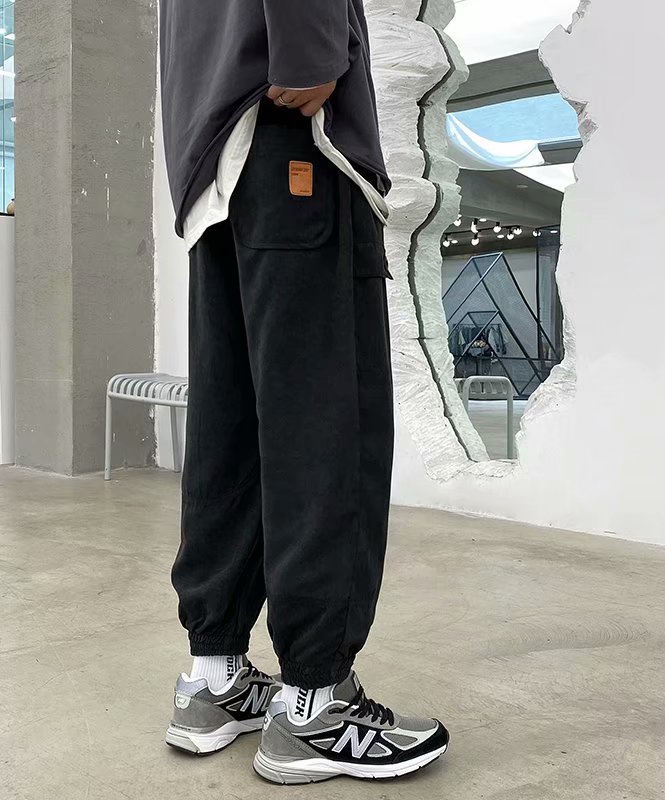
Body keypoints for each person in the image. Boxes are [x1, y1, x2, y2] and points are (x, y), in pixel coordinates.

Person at [159, 0, 449, 783]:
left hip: (214, 156)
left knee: (233, 430)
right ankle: (318, 703)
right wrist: (313, 48)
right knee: (327, 428)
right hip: (294, 136)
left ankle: (214, 678)